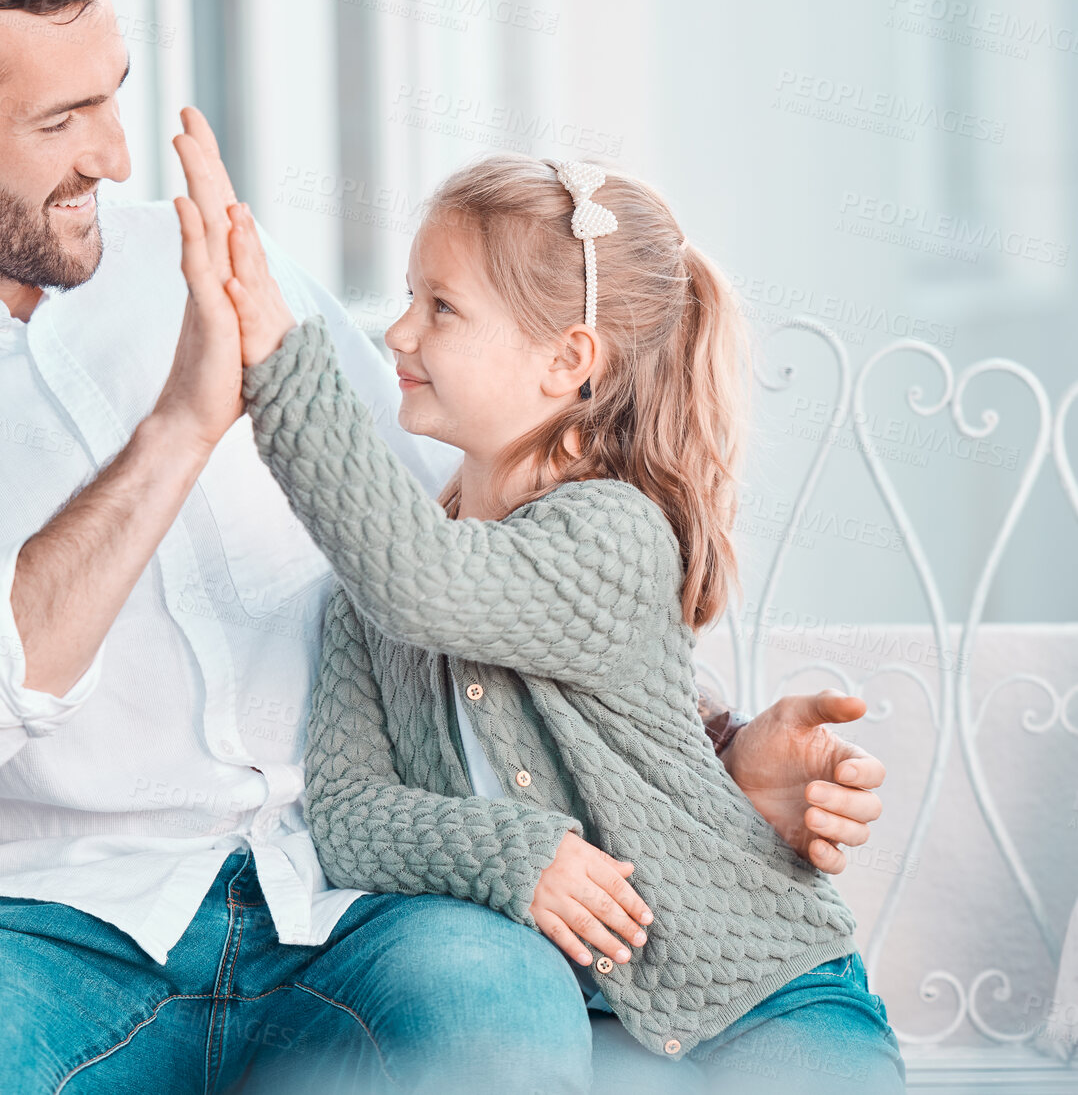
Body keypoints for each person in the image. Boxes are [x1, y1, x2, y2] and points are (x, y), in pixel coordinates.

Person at [0, 0, 889, 1093]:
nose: (114, 156)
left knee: (496, 1022)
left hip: (360, 895)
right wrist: (178, 429)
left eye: (113, 99)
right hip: (31, 933)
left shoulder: (204, 256)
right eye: (58, 122)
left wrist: (711, 748)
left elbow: (469, 535)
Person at [204, 152, 906, 1093]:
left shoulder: (613, 532)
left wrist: (279, 361)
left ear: (568, 360)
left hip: (764, 992)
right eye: (409, 295)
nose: (399, 329)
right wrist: (514, 854)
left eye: (441, 307)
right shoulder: (368, 599)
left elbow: (423, 577)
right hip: (585, 1025)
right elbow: (349, 816)